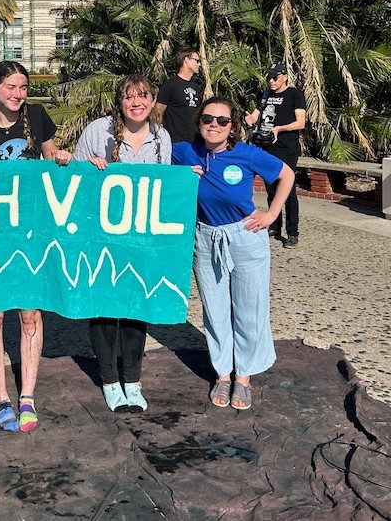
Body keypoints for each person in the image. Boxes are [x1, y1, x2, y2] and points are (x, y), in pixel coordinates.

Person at [0, 60, 72, 432]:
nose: (17, 94)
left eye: (22, 87)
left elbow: (52, 159)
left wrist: (62, 159)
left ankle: (27, 396)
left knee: (29, 314)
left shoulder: (37, 117)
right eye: (9, 87)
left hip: (33, 232)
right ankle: (1, 397)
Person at [172, 97, 295, 411]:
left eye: (222, 121)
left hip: (245, 236)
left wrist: (272, 214)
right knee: (214, 310)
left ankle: (244, 377)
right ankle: (223, 374)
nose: (215, 125)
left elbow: (287, 175)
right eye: (208, 119)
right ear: (199, 123)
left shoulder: (247, 153)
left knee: (249, 309)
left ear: (232, 127)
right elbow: (151, 168)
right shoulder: (185, 152)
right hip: (206, 237)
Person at [73, 74, 171, 413]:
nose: (136, 102)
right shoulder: (97, 131)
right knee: (102, 309)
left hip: (140, 239)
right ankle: (110, 380)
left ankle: (133, 378)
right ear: (120, 100)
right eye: (130, 97)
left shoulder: (161, 137)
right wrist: (88, 168)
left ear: (152, 100)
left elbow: (164, 189)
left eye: (143, 96)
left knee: (134, 307)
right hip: (100, 237)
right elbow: (72, 177)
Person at [243, 63, 306, 248]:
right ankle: (274, 226)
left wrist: (280, 128)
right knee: (271, 187)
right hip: (266, 146)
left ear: (284, 77)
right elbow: (256, 115)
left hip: (286, 147)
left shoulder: (295, 94)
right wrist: (250, 119)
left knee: (288, 190)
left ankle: (292, 232)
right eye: (268, 77)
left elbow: (301, 122)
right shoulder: (265, 94)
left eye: (275, 77)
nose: (271, 81)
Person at [156, 48, 202, 144]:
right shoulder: (171, 84)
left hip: (194, 141)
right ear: (186, 60)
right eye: (197, 61)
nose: (199, 64)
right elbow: (158, 111)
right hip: (175, 141)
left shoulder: (196, 86)